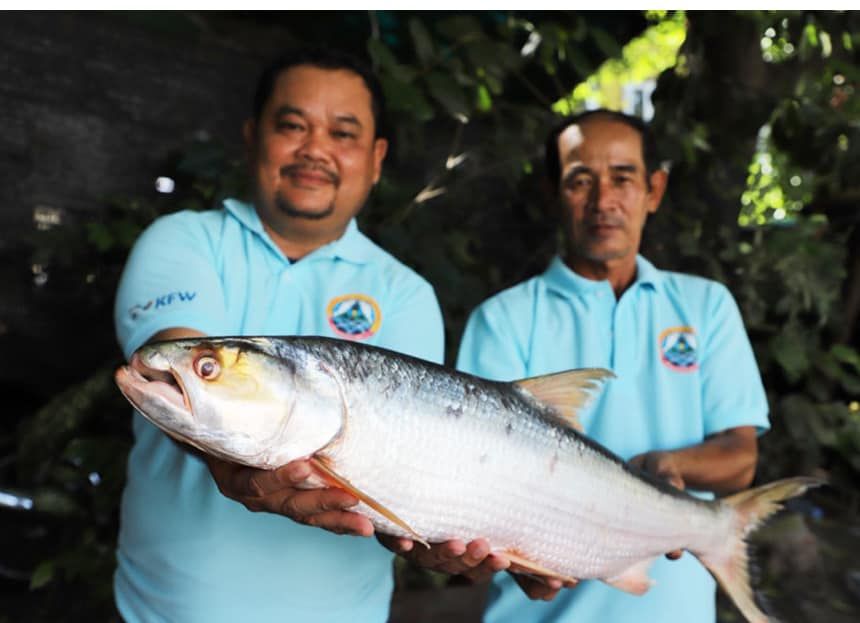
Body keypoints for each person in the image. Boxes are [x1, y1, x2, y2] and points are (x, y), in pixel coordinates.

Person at [112, 48, 444, 623]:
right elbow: (180, 369)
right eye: (292, 125)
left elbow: (403, 469)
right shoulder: (184, 240)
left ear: (376, 158)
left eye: (343, 133)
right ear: (252, 136)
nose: (314, 149)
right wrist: (230, 462)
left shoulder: (408, 295)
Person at [452, 109, 770, 622]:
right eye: (581, 181)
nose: (604, 201)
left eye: (623, 178)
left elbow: (741, 457)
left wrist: (671, 466)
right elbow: (474, 490)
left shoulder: (706, 305)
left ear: (654, 190)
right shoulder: (503, 318)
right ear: (555, 193)